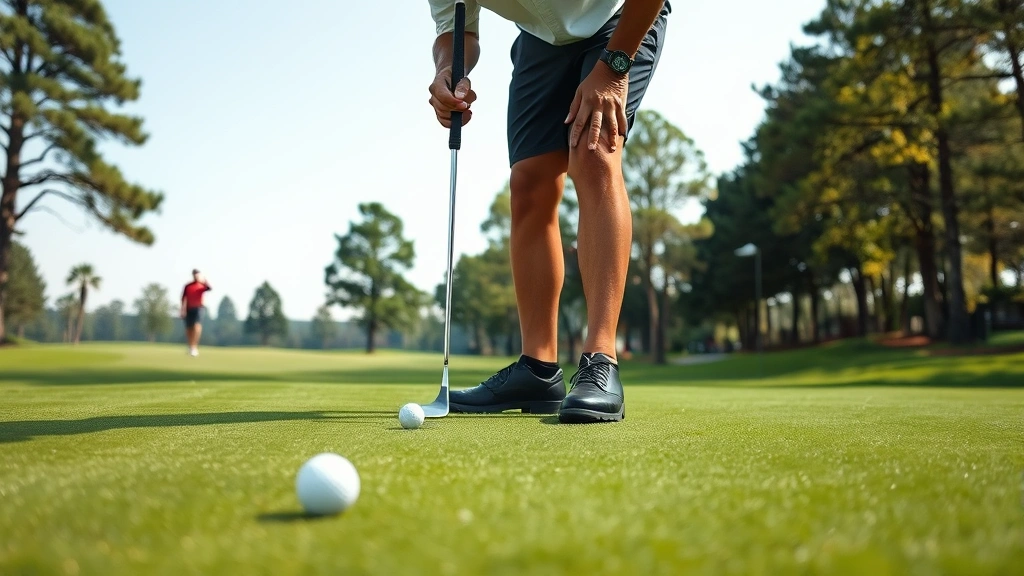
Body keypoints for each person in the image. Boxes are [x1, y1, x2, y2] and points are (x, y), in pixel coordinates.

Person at [427, 0, 671, 423]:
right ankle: (538, 370)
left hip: (620, 19)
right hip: (541, 40)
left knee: (593, 153)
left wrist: (614, 67)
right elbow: (457, 27)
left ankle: (601, 360)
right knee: (528, 183)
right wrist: (448, 68)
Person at [181, 269, 211, 357]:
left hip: (198, 308)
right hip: (188, 308)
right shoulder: (188, 286)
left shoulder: (201, 285)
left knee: (196, 326)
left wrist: (204, 280)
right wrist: (182, 309)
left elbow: (209, 288)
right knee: (189, 329)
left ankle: (194, 347)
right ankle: (190, 346)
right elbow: (183, 298)